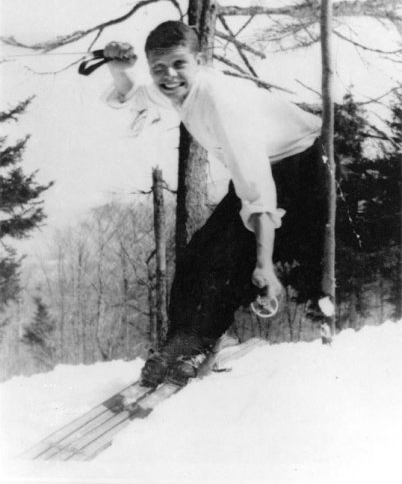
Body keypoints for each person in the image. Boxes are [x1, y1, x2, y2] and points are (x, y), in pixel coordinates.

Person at [101, 20, 326, 387]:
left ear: (200, 60)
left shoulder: (221, 104)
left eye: (178, 64)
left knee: (230, 256)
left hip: (302, 169)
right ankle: (180, 344)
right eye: (158, 68)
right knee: (197, 255)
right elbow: (138, 95)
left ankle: (199, 345)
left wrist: (264, 265)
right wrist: (118, 68)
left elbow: (258, 194)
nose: (169, 76)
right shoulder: (180, 87)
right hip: (269, 166)